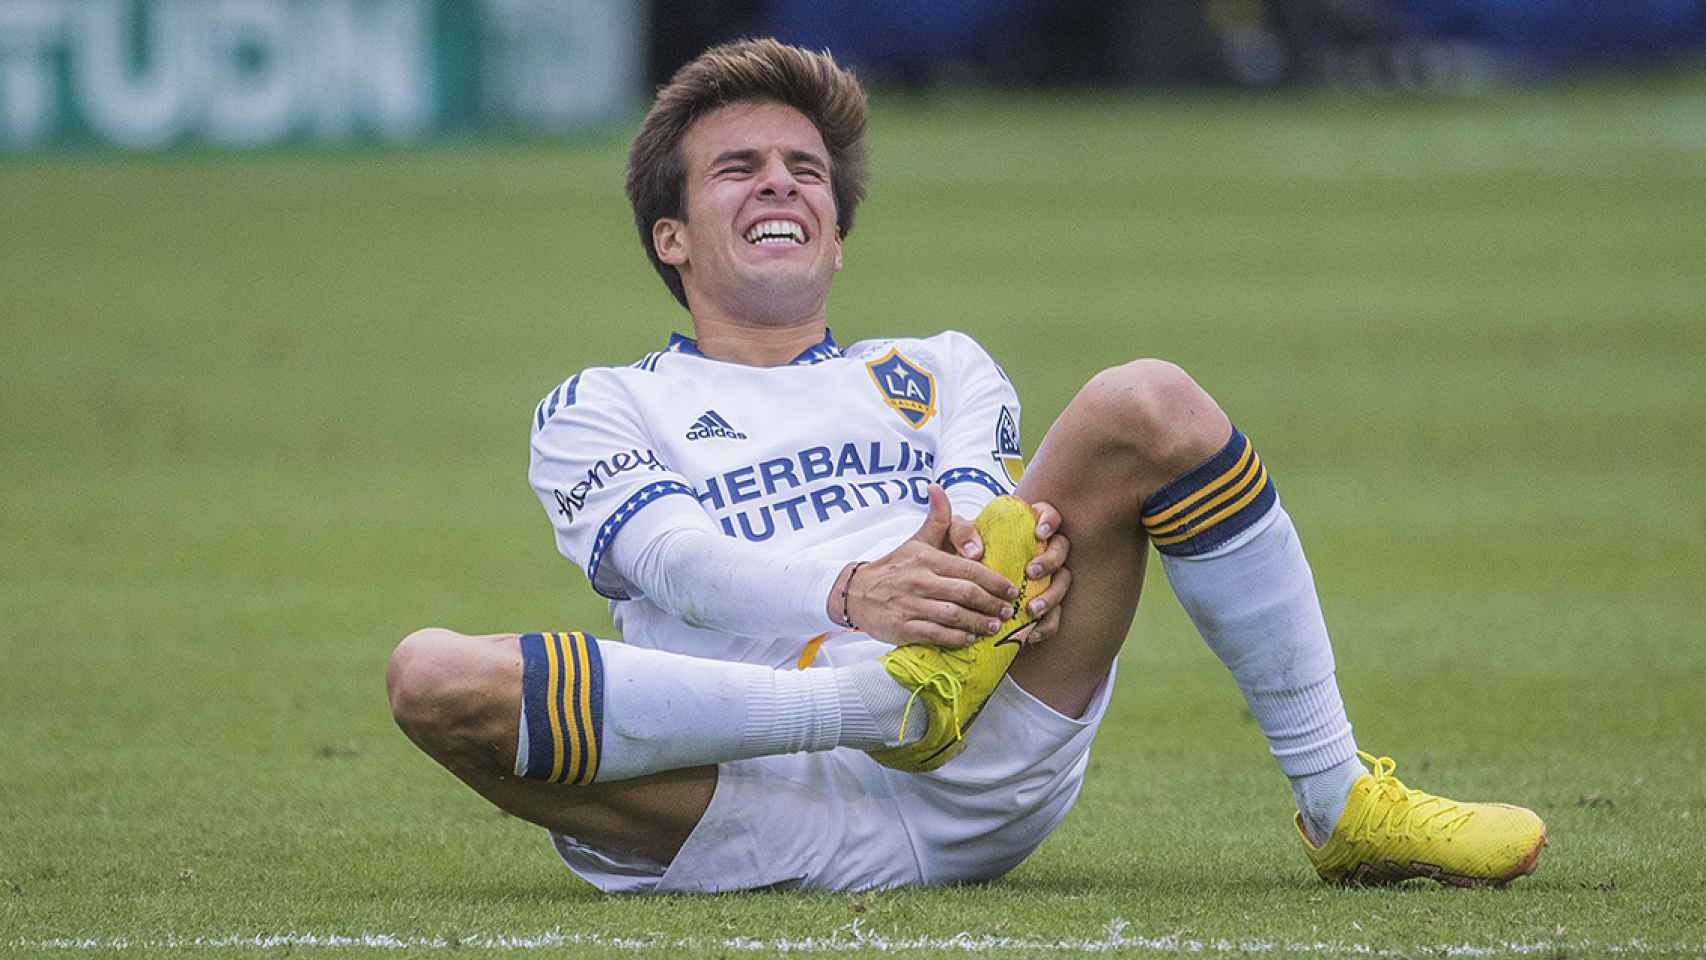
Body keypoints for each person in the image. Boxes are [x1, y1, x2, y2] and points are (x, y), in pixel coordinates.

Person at [386, 38, 1546, 893]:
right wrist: (852, 609)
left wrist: (1007, 565)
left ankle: (1337, 798)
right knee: (431, 678)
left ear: (837, 231)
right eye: (735, 168)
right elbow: (676, 567)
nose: (781, 182)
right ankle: (869, 701)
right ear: (671, 237)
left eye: (803, 169)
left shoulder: (938, 365)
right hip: (733, 795)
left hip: (980, 747)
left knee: (1142, 401)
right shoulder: (602, 404)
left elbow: (990, 507)